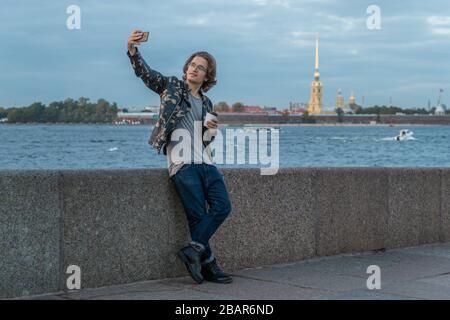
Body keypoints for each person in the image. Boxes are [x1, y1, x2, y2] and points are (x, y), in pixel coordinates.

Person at [126, 29, 233, 284]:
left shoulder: (207, 104)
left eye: (201, 68)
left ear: (208, 76)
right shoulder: (171, 86)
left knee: (223, 206)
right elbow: (146, 74)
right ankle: (210, 264)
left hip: (206, 163)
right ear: (186, 69)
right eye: (192, 65)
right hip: (182, 164)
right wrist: (132, 49)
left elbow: (206, 142)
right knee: (197, 216)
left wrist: (211, 133)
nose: (194, 70)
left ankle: (194, 250)